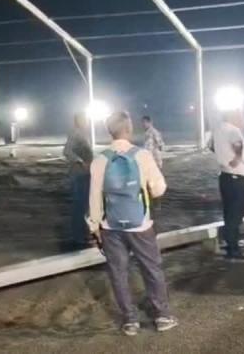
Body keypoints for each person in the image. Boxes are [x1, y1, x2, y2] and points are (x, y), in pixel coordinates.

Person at [87, 111, 177, 336]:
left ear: (109, 131)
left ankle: (130, 320)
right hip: (140, 225)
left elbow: (94, 198)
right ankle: (162, 316)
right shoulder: (142, 156)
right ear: (129, 129)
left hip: (111, 227)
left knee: (118, 273)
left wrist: (94, 227)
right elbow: (159, 188)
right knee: (151, 268)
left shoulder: (100, 160)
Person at [213, 110, 244, 260]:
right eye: (240, 116)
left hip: (225, 176)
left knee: (229, 212)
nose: (242, 119)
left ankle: (230, 242)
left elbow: (211, 146)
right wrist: (237, 158)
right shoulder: (232, 130)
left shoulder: (218, 129)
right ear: (232, 117)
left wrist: (224, 158)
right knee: (236, 214)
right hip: (236, 177)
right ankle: (233, 249)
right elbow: (238, 144)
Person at [63, 112, 94, 250]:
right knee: (80, 207)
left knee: (84, 206)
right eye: (84, 119)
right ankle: (78, 238)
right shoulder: (75, 134)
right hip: (79, 174)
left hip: (85, 174)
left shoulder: (82, 133)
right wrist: (80, 162)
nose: (87, 121)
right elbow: (67, 151)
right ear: (78, 121)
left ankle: (83, 234)